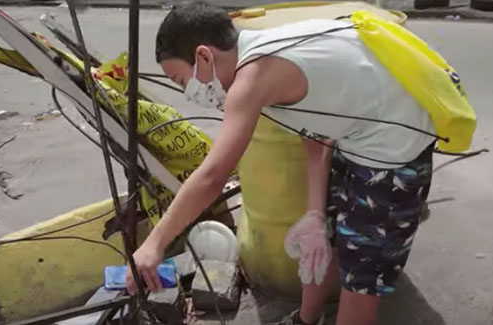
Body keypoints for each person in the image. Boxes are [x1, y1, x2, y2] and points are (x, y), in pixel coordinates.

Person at [125, 2, 441, 324]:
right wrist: (316, 213)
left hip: (395, 150)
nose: (188, 93)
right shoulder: (259, 47)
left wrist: (154, 244)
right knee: (322, 241)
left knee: (362, 274)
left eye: (181, 81)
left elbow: (213, 176)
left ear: (204, 56)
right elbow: (315, 133)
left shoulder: (253, 78)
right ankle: (306, 321)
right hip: (358, 132)